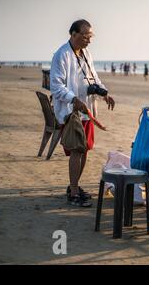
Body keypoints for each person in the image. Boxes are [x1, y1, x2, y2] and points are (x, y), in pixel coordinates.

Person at [50, 19, 115, 207]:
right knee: (77, 150)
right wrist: (73, 99)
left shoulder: (86, 53)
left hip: (87, 110)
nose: (89, 40)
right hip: (72, 112)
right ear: (73, 34)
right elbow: (56, 86)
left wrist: (105, 93)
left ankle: (74, 187)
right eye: (86, 36)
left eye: (90, 36)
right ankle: (74, 191)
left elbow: (93, 77)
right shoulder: (61, 55)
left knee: (85, 149)